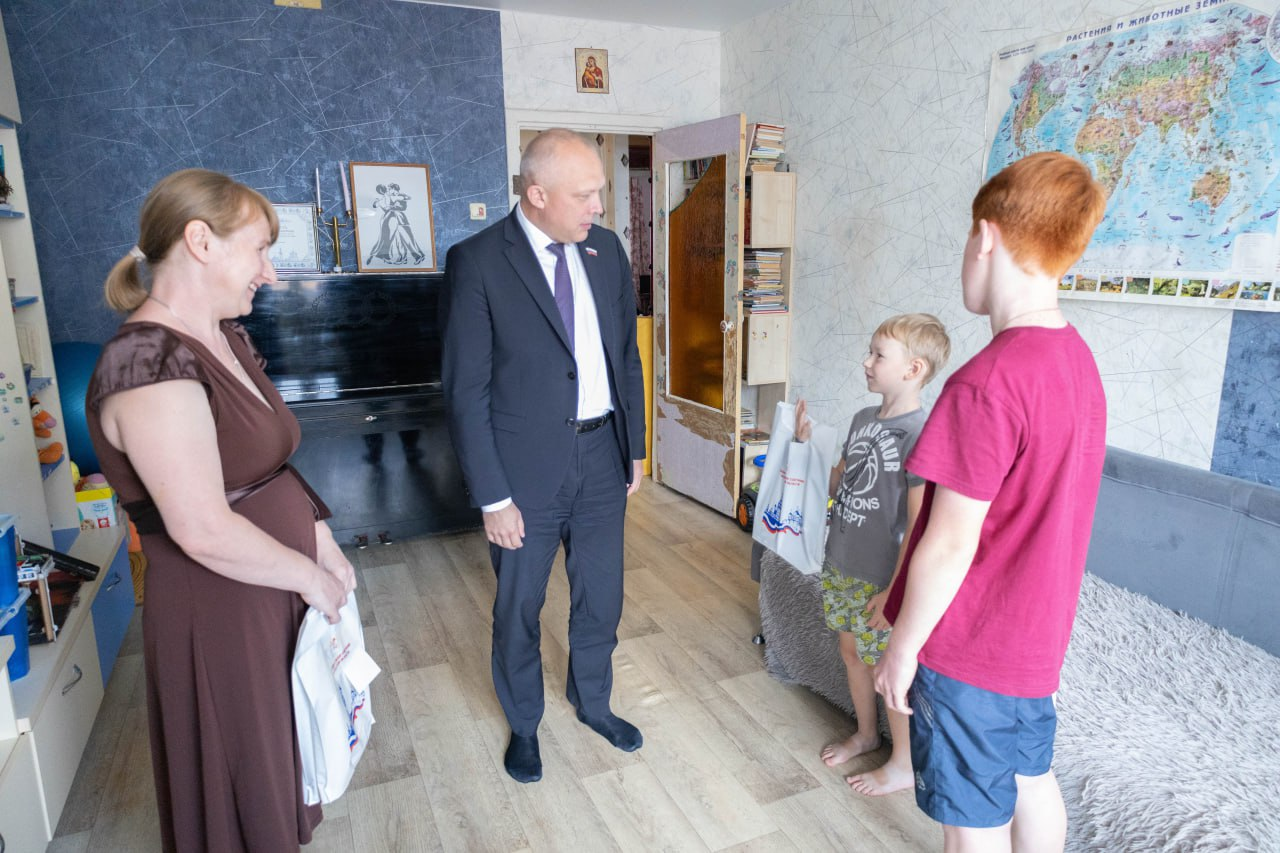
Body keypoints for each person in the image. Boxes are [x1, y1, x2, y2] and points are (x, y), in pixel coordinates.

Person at [85, 169, 356, 852]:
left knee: (279, 769)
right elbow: (202, 528)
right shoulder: (146, 362)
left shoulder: (223, 335)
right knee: (241, 790)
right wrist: (308, 576)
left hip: (270, 588)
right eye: (260, 249)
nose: (271, 271)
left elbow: (268, 462)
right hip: (220, 610)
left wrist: (321, 539)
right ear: (200, 241)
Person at [875, 152, 1108, 852]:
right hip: (1036, 641)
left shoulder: (985, 383)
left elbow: (949, 543)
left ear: (985, 237)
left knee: (971, 823)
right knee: (1032, 780)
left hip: (972, 648)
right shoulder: (1078, 361)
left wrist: (902, 648)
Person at [440, 128, 646, 784]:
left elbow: (626, 355)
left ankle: (593, 702)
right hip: (522, 473)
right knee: (518, 606)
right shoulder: (478, 262)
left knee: (602, 595)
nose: (598, 207)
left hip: (602, 455)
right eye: (584, 195)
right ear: (536, 195)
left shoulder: (606, 251)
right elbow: (465, 390)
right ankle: (524, 722)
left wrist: (635, 447)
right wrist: (492, 496)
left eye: (599, 193)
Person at [795, 313, 950, 797]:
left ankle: (903, 763)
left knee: (887, 671)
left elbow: (919, 525)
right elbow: (838, 483)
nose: (866, 362)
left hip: (881, 579)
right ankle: (866, 734)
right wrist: (807, 446)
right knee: (852, 654)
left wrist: (894, 592)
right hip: (841, 563)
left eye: (878, 355)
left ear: (914, 369)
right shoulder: (863, 420)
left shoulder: (921, 433)